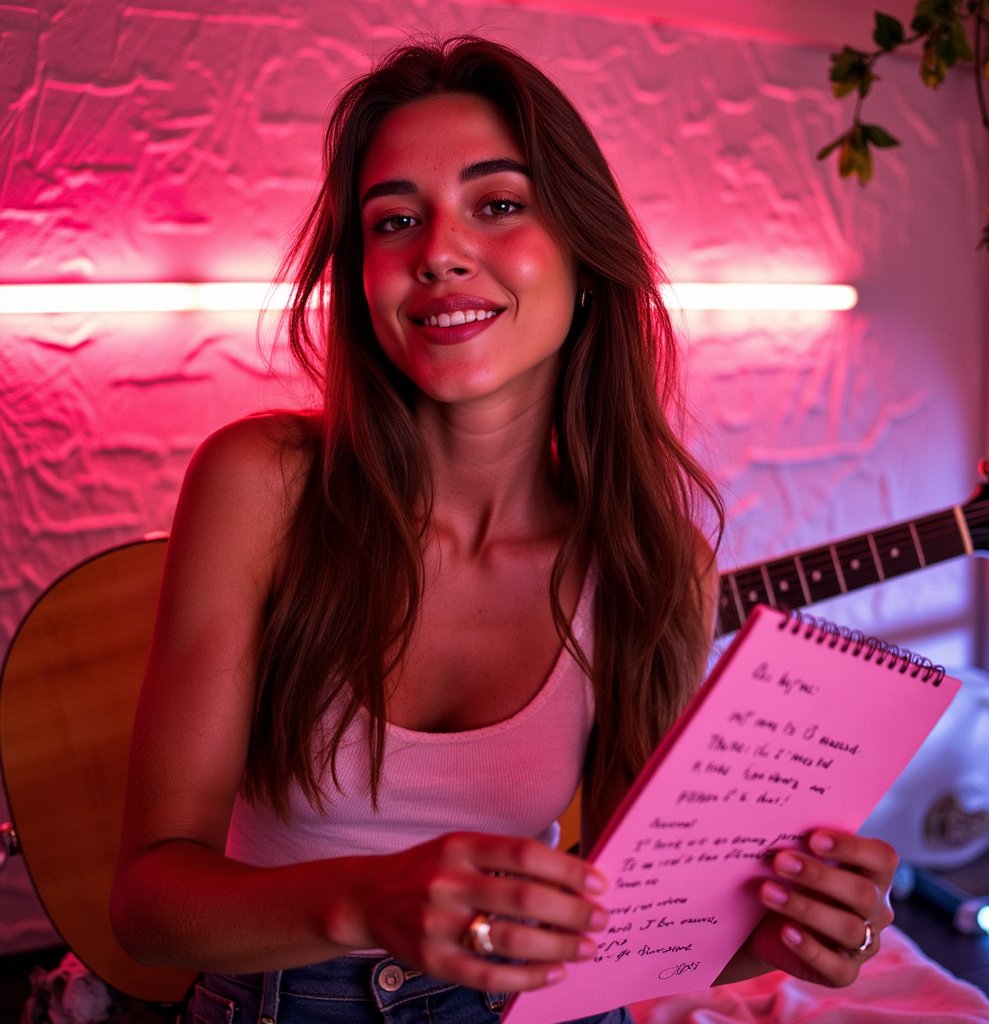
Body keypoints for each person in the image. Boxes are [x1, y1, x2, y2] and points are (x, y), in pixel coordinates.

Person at [109, 34, 897, 1024]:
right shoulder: (261, 485)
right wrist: (365, 898)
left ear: (582, 250)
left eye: (498, 204)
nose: (437, 251)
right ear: (363, 278)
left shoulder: (654, 564)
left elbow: (623, 927)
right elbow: (145, 906)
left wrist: (777, 931)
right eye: (395, 220)